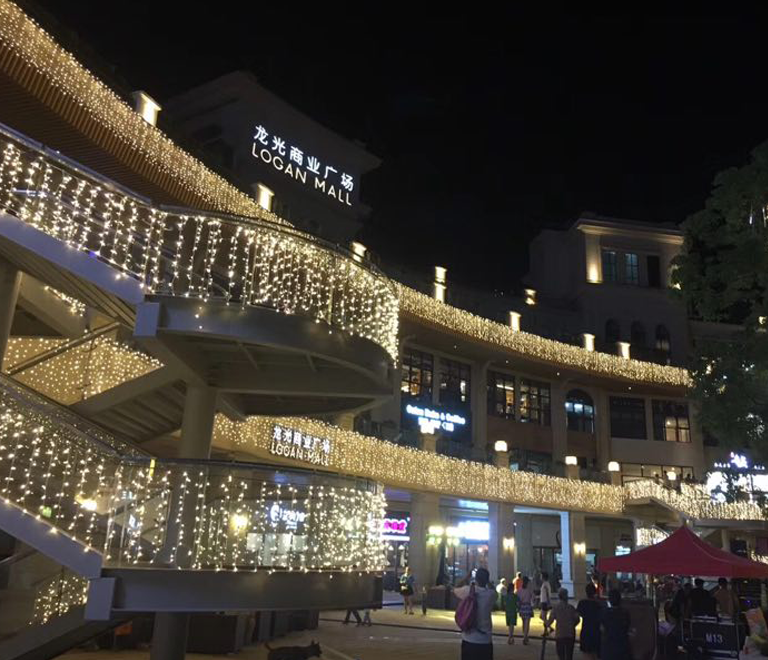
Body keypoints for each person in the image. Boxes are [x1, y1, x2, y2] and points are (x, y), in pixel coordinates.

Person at [454, 567, 495, 660]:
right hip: (485, 640)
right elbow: (494, 590)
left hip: (469, 638)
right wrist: (488, 582)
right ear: (487, 579)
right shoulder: (490, 594)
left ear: (476, 579)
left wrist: (466, 577)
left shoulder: (467, 591)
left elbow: (455, 588)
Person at [546, 588, 581, 660]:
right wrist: (572, 625)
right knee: (569, 655)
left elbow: (550, 621)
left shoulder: (555, 608)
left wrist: (546, 623)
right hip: (570, 633)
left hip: (560, 634)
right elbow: (577, 619)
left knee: (561, 655)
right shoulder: (571, 608)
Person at [601, 589, 631, 660]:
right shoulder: (625, 613)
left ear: (609, 600)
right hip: (622, 646)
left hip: (608, 647)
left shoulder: (604, 613)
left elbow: (602, 628)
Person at [577, 582, 603, 660]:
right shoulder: (598, 604)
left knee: (586, 655)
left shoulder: (582, 603)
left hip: (586, 631)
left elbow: (577, 616)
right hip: (596, 632)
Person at [517, 575, 535, 644]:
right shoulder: (529, 590)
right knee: (527, 623)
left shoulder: (519, 590)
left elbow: (518, 599)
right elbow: (533, 597)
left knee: (523, 622)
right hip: (528, 606)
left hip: (522, 607)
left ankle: (524, 635)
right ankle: (525, 636)